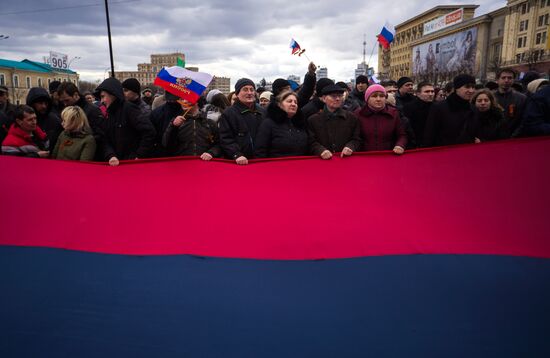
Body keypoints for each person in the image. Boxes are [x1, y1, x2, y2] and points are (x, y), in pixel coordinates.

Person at [95, 77, 156, 166]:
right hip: (116, 164)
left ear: (113, 94)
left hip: (132, 164)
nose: (101, 101)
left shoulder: (130, 109)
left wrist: (139, 156)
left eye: (103, 96)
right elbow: (104, 139)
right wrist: (110, 155)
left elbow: (149, 132)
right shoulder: (107, 113)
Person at [307, 84, 361, 159]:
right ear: (324, 98)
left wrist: (350, 147)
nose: (338, 99)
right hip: (323, 161)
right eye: (333, 96)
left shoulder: (351, 118)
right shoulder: (313, 120)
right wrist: (320, 150)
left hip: (345, 160)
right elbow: (311, 141)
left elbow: (357, 139)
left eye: (340, 96)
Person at [219, 78, 265, 165]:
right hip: (239, 162)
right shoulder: (228, 113)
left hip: (261, 161)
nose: (249, 93)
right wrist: (236, 154)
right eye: (245, 89)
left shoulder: (262, 111)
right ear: (237, 94)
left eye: (252, 90)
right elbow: (225, 138)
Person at [424, 74, 478, 147]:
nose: (471, 90)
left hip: (467, 152)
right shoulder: (439, 107)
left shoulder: (473, 109)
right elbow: (430, 134)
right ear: (457, 88)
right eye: (467, 87)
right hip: (444, 153)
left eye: (473, 87)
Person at [57, 81, 106, 159]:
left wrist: (80, 140)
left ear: (76, 95)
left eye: (67, 100)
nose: (65, 104)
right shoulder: (67, 109)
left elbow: (101, 135)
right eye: (62, 101)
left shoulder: (93, 111)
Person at [355, 84, 407, 154]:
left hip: (388, 156)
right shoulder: (358, 114)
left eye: (382, 96)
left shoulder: (394, 113)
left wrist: (400, 145)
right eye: (374, 96)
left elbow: (402, 135)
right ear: (367, 99)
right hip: (366, 156)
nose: (378, 99)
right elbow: (355, 138)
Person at [255, 91, 308, 158]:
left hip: (300, 165)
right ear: (279, 104)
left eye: (295, 102)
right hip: (276, 166)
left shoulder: (300, 124)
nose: (293, 104)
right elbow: (260, 151)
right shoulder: (268, 124)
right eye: (289, 101)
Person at [26, 87, 63, 151]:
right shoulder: (23, 120)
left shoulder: (54, 120)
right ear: (32, 104)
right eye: (40, 103)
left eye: (46, 103)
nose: (44, 106)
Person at [493, 69, 527, 137]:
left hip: (513, 139)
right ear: (497, 79)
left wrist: (514, 136)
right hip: (493, 138)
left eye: (510, 78)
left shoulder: (522, 98)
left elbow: (524, 120)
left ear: (513, 80)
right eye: (503, 78)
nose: (506, 80)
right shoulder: (490, 97)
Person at [403, 82, 435, 148]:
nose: (430, 94)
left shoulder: (437, 106)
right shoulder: (409, 107)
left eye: (432, 91)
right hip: (416, 145)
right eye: (427, 92)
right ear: (418, 94)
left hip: (433, 144)